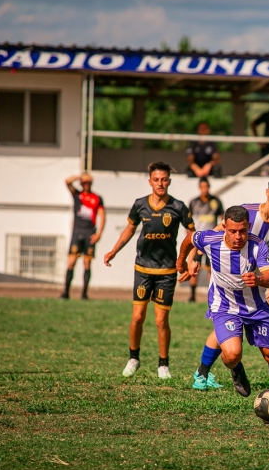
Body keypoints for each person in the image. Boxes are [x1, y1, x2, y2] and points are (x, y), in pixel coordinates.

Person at [188, 176, 269, 410]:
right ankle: (206, 372)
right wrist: (193, 258)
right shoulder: (245, 212)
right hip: (226, 287)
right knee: (229, 344)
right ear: (267, 192)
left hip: (256, 289)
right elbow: (210, 236)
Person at [103, 162, 195, 379]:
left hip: (166, 271)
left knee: (161, 321)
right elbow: (129, 229)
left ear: (169, 182)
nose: (160, 183)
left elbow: (193, 235)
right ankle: (133, 358)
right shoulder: (140, 205)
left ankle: (163, 364)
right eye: (156, 179)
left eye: (164, 179)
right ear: (150, 181)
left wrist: (192, 259)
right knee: (137, 317)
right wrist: (114, 250)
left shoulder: (179, 207)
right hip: (143, 269)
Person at [61, 173, 105, 300]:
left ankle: (84, 294)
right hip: (77, 232)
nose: (86, 185)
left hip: (89, 233)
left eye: (88, 183)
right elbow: (67, 181)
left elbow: (102, 216)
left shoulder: (97, 198)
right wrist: (81, 176)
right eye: (84, 183)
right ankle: (66, 292)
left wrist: (99, 233)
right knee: (71, 262)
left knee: (87, 263)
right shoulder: (77, 195)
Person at [187, 178, 224, 302]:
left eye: (206, 187)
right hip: (197, 239)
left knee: (211, 268)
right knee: (194, 266)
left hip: (211, 240)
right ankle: (192, 295)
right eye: (202, 187)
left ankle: (212, 296)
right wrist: (189, 236)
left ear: (209, 187)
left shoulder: (216, 201)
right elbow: (188, 221)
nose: (204, 189)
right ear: (199, 187)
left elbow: (223, 219)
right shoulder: (193, 202)